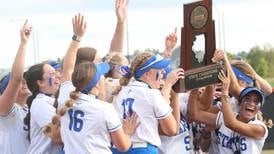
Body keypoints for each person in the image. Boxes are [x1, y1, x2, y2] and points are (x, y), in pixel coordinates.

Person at [50, 13, 137, 154]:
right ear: (96, 85)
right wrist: (127, 132)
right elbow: (123, 146)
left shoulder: (65, 95)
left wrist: (76, 37)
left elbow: (68, 67)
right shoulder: (104, 109)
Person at [112, 52, 181, 153]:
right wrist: (169, 86)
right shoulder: (152, 94)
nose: (162, 73)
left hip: (119, 148)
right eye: (159, 69)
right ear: (147, 74)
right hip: (143, 149)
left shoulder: (120, 92)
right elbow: (172, 130)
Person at [188, 70, 268, 154]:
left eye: (256, 101)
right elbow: (194, 114)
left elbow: (230, 123)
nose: (251, 103)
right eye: (247, 99)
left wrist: (225, 91)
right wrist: (195, 88)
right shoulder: (224, 118)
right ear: (239, 103)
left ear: (259, 108)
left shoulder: (260, 128)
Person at [0, 20, 31, 154]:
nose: (23, 83)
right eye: (21, 82)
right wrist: (23, 44)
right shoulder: (7, 110)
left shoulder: (31, 107)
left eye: (25, 80)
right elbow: (16, 78)